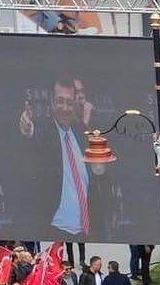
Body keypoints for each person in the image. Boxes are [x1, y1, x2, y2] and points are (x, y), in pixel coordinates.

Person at [17, 75, 103, 240]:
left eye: (69, 102)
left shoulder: (82, 134)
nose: (65, 107)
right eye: (60, 101)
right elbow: (33, 143)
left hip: (87, 233)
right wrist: (27, 131)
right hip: (54, 230)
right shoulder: (44, 132)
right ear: (51, 102)